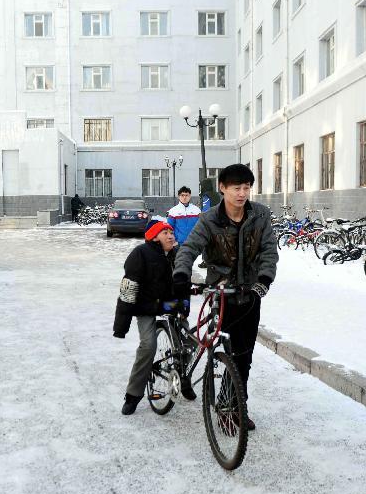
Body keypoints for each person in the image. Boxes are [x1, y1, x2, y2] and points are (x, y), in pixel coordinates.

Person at [172, 163, 278, 431]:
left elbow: (269, 251)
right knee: (230, 352)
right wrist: (182, 274)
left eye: (247, 188)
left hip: (251, 293)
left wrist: (263, 282)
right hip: (221, 292)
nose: (242, 193)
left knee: (245, 356)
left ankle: (234, 405)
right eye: (236, 188)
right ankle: (229, 407)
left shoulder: (260, 215)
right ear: (222, 188)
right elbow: (189, 249)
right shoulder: (209, 219)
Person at [113, 219, 180, 415]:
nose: (170, 235)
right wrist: (121, 326)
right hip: (146, 307)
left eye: (171, 232)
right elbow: (128, 290)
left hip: (169, 304)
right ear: (154, 236)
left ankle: (183, 379)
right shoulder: (140, 254)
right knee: (148, 345)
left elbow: (182, 282)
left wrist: (185, 302)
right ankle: (133, 395)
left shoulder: (176, 254)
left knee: (189, 341)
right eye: (165, 232)